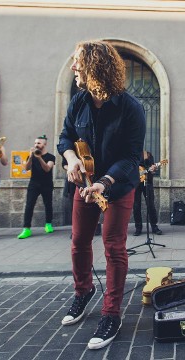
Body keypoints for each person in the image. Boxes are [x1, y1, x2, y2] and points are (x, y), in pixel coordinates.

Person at [57, 40, 145, 350]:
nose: (73, 68)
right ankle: (83, 292)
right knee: (79, 241)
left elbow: (132, 157)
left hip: (116, 187)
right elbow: (65, 137)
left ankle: (111, 313)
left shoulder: (131, 108)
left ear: (94, 67)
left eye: (77, 63)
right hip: (84, 184)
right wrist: (71, 159)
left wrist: (104, 182)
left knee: (113, 246)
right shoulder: (78, 101)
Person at [17, 135, 56, 239]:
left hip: (47, 183)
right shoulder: (32, 156)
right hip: (34, 183)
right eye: (35, 143)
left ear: (44, 144)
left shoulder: (51, 157)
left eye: (38, 143)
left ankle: (48, 224)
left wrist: (39, 158)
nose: (36, 145)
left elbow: (47, 168)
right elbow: (26, 168)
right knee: (29, 205)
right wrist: (30, 156)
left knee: (48, 204)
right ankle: (26, 228)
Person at [133, 150, 163, 236]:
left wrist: (153, 168)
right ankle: (138, 228)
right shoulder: (132, 154)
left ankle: (154, 227)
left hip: (148, 182)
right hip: (135, 183)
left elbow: (152, 169)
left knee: (150, 205)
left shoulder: (148, 155)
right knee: (136, 206)